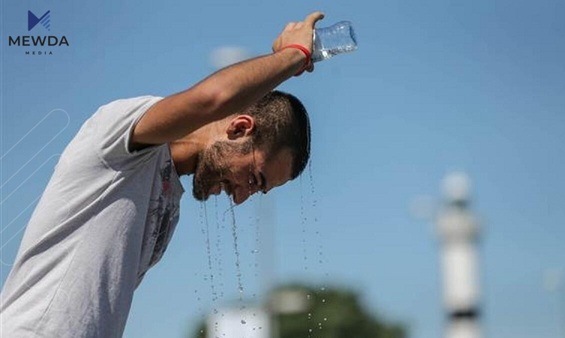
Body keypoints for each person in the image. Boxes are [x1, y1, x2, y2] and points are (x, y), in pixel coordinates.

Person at [0, 11, 324, 338]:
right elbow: (211, 99)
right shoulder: (120, 139)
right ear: (239, 129)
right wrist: (294, 56)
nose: (240, 197)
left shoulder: (169, 200)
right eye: (254, 179)